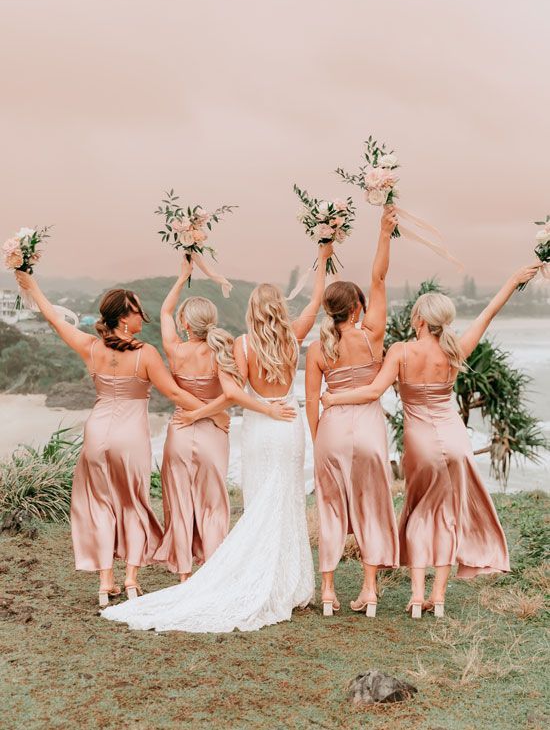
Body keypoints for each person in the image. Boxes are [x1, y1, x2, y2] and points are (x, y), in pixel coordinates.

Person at [101, 243, 333, 632]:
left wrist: (214, 412)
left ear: (252, 311)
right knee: (288, 500)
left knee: (258, 502)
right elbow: (315, 300)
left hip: (260, 426)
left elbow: (233, 393)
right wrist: (323, 261)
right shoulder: (295, 336)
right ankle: (288, 583)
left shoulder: (243, 344)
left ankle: (254, 575)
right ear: (279, 309)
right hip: (288, 424)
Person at [321, 263, 541, 618]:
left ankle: (416, 596)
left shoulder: (401, 351)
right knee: (447, 515)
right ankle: (437, 597)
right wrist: (513, 280)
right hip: (455, 439)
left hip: (420, 440)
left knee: (420, 514)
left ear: (420, 319)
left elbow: (373, 391)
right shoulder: (455, 349)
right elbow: (487, 313)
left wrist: (334, 399)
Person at [15, 272, 229, 607]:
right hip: (130, 436)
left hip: (97, 432)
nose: (143, 316)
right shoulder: (146, 354)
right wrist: (213, 414)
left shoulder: (91, 347)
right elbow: (174, 393)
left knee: (100, 504)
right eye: (138, 311)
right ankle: (130, 578)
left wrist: (32, 287)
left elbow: (55, 320)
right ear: (124, 318)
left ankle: (105, 583)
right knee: (133, 503)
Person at [306, 208, 399, 617]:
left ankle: (328, 592)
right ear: (357, 308)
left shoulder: (317, 348)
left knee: (329, 507)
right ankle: (369, 590)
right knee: (371, 506)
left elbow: (312, 401)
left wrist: (318, 442)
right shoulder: (372, 335)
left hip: (331, 431)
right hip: (368, 430)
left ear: (330, 310)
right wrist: (384, 232)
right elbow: (379, 278)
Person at [154, 259, 242, 581]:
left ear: (185, 323)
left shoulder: (175, 350)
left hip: (179, 432)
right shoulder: (222, 351)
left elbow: (165, 312)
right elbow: (232, 396)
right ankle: (214, 571)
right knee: (213, 504)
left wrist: (182, 277)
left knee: (180, 502)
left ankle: (183, 573)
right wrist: (215, 414)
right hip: (213, 433)